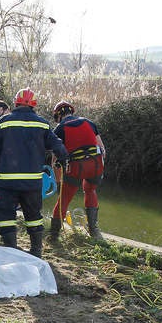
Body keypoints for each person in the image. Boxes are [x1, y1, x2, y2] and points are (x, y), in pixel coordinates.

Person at [0, 88, 68, 258]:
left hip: (7, 181)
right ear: (34, 105)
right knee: (33, 216)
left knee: (6, 216)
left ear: (15, 103)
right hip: (32, 182)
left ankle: (11, 250)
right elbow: (58, 145)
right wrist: (63, 159)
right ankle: (36, 251)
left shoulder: (3, 122)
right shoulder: (42, 124)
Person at [50, 101, 107, 241]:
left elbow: (55, 162)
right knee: (90, 190)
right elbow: (103, 150)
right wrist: (99, 168)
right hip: (95, 165)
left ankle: (54, 235)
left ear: (58, 115)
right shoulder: (89, 122)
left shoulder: (59, 129)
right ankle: (94, 230)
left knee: (64, 199)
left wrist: (58, 183)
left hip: (75, 167)